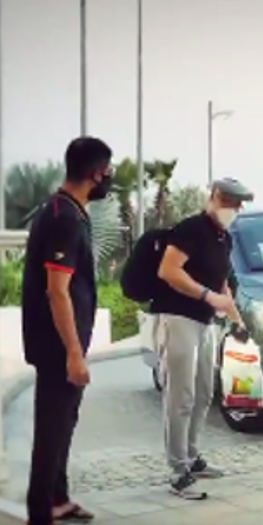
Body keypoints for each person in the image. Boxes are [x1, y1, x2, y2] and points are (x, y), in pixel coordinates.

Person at [22, 137, 114, 525]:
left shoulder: (66, 210)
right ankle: (40, 512)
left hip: (62, 342)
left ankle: (57, 499)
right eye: (108, 171)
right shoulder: (63, 218)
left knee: (63, 425)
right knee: (51, 428)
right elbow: (56, 290)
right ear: (96, 173)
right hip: (57, 346)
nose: (110, 177)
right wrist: (74, 353)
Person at [152, 177, 253, 499]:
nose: (234, 209)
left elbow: (222, 283)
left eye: (238, 204)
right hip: (178, 317)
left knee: (204, 391)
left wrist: (238, 321)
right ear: (214, 197)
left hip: (206, 322)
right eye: (230, 202)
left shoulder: (223, 238)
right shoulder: (191, 229)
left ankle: (193, 457)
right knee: (180, 396)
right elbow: (169, 270)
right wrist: (207, 296)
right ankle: (177, 470)